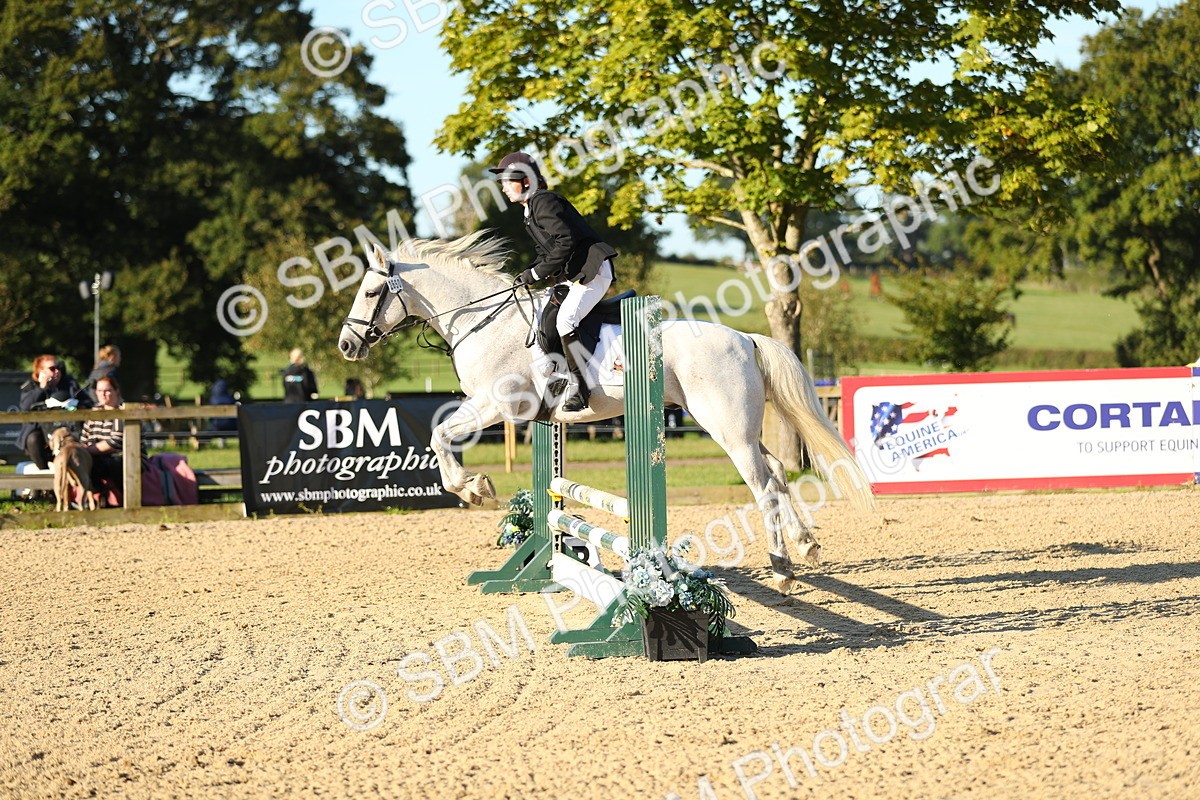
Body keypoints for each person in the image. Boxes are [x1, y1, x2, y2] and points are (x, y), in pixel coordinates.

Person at [488, 151, 618, 412]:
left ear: (526, 181)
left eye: (506, 181)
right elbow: (546, 251)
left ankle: (580, 390)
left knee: (565, 319)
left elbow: (566, 241)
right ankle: (553, 375)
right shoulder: (530, 210)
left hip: (592, 270)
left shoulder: (543, 201)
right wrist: (528, 273)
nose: (503, 188)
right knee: (541, 313)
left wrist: (536, 274)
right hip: (577, 273)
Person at [18, 354, 93, 470]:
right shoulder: (32, 386)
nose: (57, 371)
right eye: (52, 369)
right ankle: (44, 475)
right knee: (33, 438)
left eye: (59, 368)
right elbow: (25, 407)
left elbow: (88, 402)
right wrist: (42, 388)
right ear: (40, 371)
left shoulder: (70, 384)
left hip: (70, 428)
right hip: (41, 432)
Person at [81, 376, 145, 497]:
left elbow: (115, 443)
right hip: (98, 456)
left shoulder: (123, 411)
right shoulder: (93, 413)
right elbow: (84, 438)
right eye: (99, 391)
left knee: (115, 463)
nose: (103, 394)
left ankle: (128, 499)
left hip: (126, 457)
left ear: (116, 391)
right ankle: (96, 497)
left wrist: (87, 450)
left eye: (107, 390)